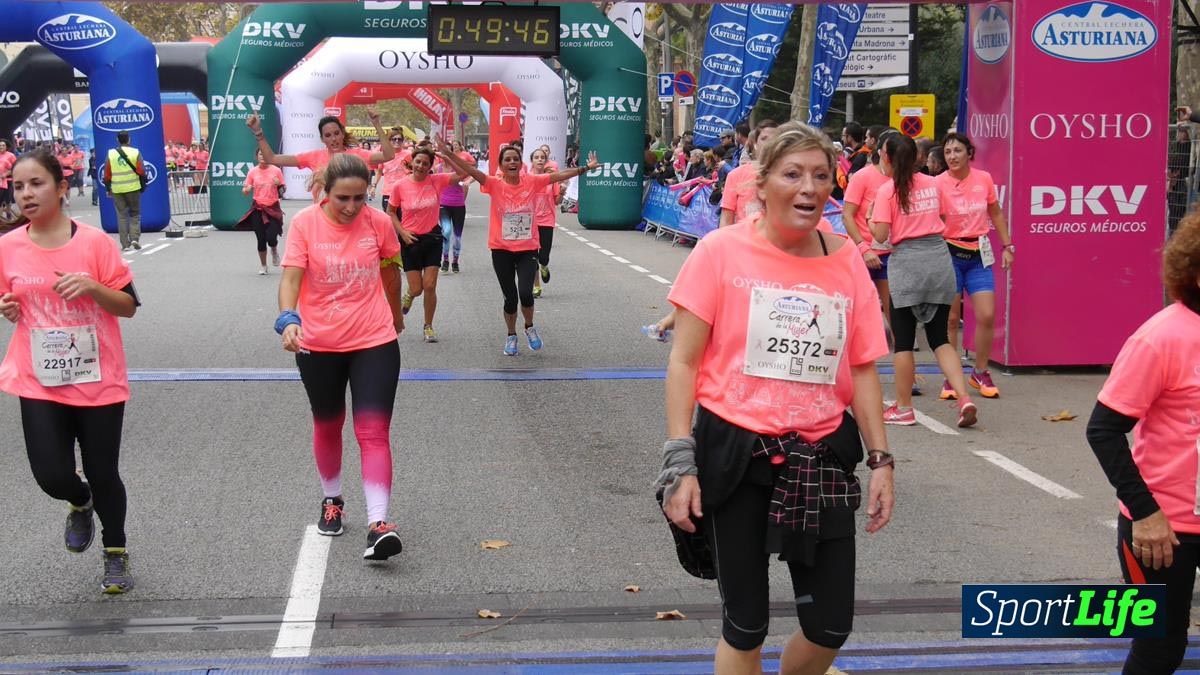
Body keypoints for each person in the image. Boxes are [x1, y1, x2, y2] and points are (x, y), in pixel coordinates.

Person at [659, 121, 894, 674]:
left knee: (831, 625)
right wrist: (678, 461)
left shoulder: (846, 260)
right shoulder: (719, 251)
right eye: (792, 174)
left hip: (821, 455)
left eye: (820, 175)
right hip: (735, 451)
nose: (809, 187)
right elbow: (684, 361)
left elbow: (860, 368)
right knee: (746, 627)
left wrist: (881, 459)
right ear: (760, 185)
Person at [0, 149, 140, 593]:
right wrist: (5, 308)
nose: (26, 194)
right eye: (18, 186)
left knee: (103, 471)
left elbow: (129, 305)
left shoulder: (95, 242)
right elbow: (8, 298)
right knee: (51, 475)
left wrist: (95, 287)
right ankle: (80, 502)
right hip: (37, 376)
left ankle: (115, 552)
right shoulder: (7, 247)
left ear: (61, 188)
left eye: (36, 184)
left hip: (96, 377)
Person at [1086, 213, 1200, 675]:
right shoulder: (1162, 337)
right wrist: (1147, 514)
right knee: (1159, 650)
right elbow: (1103, 429)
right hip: (1163, 529)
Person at [277, 153, 405, 561]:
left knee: (373, 432)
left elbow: (389, 266)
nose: (352, 207)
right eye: (342, 199)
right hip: (318, 343)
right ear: (325, 194)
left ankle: (379, 524)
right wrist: (288, 319)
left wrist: (396, 313)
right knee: (328, 424)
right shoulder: (304, 225)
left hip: (374, 339)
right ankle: (332, 499)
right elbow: (292, 279)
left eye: (360, 198)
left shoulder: (379, 222)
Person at [436, 139, 598, 355]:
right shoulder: (493, 183)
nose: (512, 162)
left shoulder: (531, 182)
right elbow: (470, 170)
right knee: (510, 297)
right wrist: (451, 154)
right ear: (501, 165)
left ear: (521, 164)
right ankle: (511, 335)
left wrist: (585, 168)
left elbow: (558, 176)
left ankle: (529, 327)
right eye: (507, 159)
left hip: (527, 249)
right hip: (501, 249)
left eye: (515, 159)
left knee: (526, 293)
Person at [870, 133, 978, 428]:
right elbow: (943, 215)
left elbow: (879, 236)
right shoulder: (933, 183)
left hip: (906, 264)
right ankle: (964, 397)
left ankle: (904, 408)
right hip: (938, 259)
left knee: (904, 342)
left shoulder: (886, 192)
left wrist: (870, 220)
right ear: (916, 157)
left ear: (888, 158)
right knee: (940, 338)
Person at [935, 133, 1014, 400]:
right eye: (947, 152)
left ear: (969, 153)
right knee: (951, 319)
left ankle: (980, 371)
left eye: (957, 150)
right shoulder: (937, 184)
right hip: (948, 253)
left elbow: (996, 213)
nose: (952, 156)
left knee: (987, 315)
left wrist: (1007, 246)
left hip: (979, 254)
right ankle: (951, 376)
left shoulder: (984, 179)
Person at [388, 147, 461, 343]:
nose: (421, 166)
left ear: (431, 166)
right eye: (418, 162)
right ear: (412, 162)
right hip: (410, 240)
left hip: (432, 238)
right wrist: (402, 232)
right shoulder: (400, 186)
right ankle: (410, 295)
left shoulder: (437, 181)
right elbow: (391, 211)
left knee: (429, 286)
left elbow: (463, 173)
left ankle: (428, 326)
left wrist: (448, 157)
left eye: (425, 163)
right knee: (417, 288)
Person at [246, 109, 394, 202]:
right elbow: (272, 158)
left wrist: (377, 124)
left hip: (352, 217)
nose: (334, 139)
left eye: (336, 133)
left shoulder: (357, 154)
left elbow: (388, 155)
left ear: (342, 133)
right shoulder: (313, 157)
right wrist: (258, 133)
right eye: (328, 135)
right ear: (322, 139)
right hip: (322, 218)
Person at [238, 150, 286, 275]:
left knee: (271, 237)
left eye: (265, 155)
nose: (263, 157)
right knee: (261, 239)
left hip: (273, 208)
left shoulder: (276, 170)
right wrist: (246, 190)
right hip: (257, 208)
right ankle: (263, 266)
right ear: (256, 157)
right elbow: (245, 190)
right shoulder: (252, 172)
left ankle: (274, 249)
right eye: (260, 155)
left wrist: (279, 185)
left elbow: (283, 190)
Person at [103, 132, 146, 251]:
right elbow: (141, 170)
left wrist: (108, 188)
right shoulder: (135, 152)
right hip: (133, 188)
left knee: (121, 216)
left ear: (117, 140)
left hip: (117, 189)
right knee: (135, 214)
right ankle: (134, 238)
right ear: (129, 140)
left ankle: (124, 244)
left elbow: (106, 173)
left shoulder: (111, 154)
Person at [529, 147, 562, 298]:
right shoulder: (527, 179)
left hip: (547, 220)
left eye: (542, 157)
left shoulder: (551, 179)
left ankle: (545, 266)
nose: (540, 159)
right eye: (536, 157)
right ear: (532, 161)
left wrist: (561, 193)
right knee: (532, 256)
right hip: (530, 221)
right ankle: (536, 285)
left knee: (543, 256)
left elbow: (557, 201)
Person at [439, 140, 475, 274]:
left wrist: (467, 182)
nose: (446, 155)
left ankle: (455, 261)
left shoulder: (459, 168)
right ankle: (446, 259)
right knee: (446, 231)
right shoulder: (438, 168)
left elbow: (473, 173)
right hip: (443, 205)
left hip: (459, 204)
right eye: (444, 152)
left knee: (457, 236)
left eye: (449, 152)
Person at [372, 131, 412, 214]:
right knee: (389, 220)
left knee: (403, 220)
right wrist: (374, 186)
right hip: (388, 192)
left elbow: (413, 172)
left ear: (403, 141)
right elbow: (379, 173)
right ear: (389, 141)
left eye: (399, 139)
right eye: (394, 139)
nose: (397, 141)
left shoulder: (409, 155)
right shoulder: (384, 156)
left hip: (404, 192)